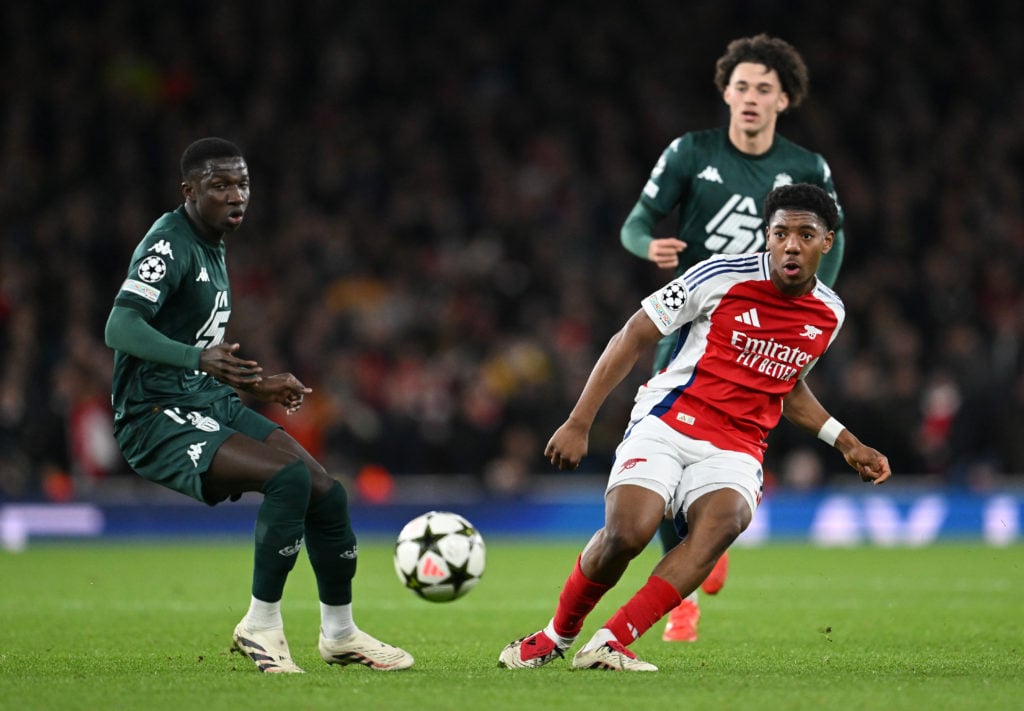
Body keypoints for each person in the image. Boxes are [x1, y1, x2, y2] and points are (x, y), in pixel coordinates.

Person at [499, 184, 890, 672]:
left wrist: (847, 442)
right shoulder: (718, 275)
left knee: (722, 524)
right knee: (628, 533)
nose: (792, 244)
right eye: (781, 233)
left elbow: (785, 385)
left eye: (805, 234)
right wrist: (580, 421)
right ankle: (556, 635)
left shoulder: (829, 314)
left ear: (826, 242)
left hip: (739, 444)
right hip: (670, 419)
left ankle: (610, 642)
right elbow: (634, 333)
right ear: (767, 237)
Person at [104, 137, 413, 674]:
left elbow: (200, 347)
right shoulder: (168, 244)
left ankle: (340, 634)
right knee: (288, 479)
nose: (235, 195)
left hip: (204, 400)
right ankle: (261, 625)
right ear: (190, 191)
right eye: (220, 185)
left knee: (328, 493)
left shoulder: (212, 243)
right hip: (154, 416)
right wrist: (198, 358)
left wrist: (258, 384)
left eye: (242, 183)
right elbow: (120, 325)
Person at [619, 34, 846, 642]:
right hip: (695, 318)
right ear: (725, 92)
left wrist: (810, 312)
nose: (750, 97)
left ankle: (712, 526)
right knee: (661, 443)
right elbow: (636, 222)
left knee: (738, 430)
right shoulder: (691, 153)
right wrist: (649, 245)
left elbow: (837, 237)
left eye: (763, 89)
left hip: (767, 326)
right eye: (741, 86)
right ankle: (684, 593)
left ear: (784, 100)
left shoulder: (807, 168)